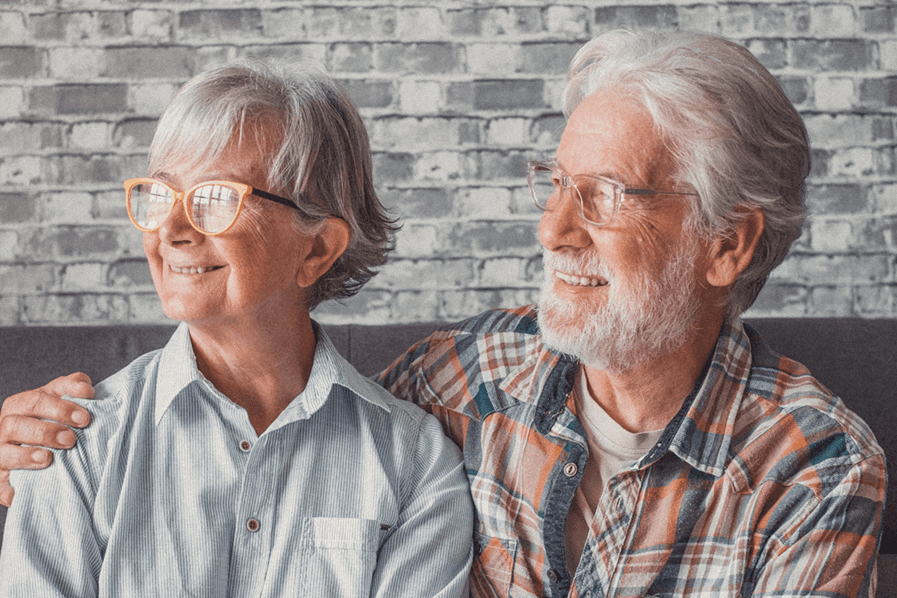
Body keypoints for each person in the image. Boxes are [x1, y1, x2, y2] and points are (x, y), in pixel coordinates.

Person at [0, 29, 886, 598]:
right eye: (554, 186)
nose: (551, 229)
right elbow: (303, 418)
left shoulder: (815, 470)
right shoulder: (464, 383)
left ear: (726, 245)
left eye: (605, 196)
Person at [0, 58, 473, 597]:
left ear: (316, 248)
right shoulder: (74, 445)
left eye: (217, 199)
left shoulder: (415, 462)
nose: (172, 230)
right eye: (163, 193)